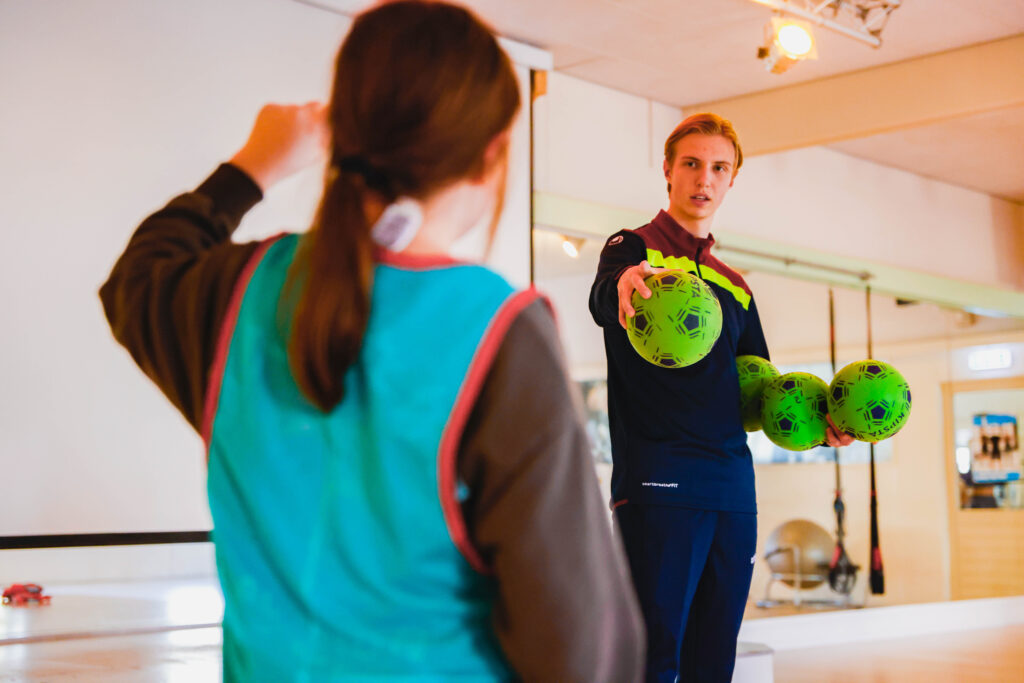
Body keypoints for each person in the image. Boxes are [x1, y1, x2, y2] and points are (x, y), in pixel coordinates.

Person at [100, 2, 643, 681]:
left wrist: (254, 166)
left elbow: (141, 272)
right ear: (493, 152)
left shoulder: (234, 294)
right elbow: (580, 642)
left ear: (343, 134)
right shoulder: (498, 328)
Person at [588, 113, 852, 682]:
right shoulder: (633, 251)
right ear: (667, 170)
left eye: (718, 168)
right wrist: (623, 285)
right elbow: (603, 299)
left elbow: (760, 389)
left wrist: (820, 420)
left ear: (731, 180)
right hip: (658, 480)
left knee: (714, 659)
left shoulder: (737, 284)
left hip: (732, 486)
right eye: (690, 164)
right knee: (653, 657)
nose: (703, 179)